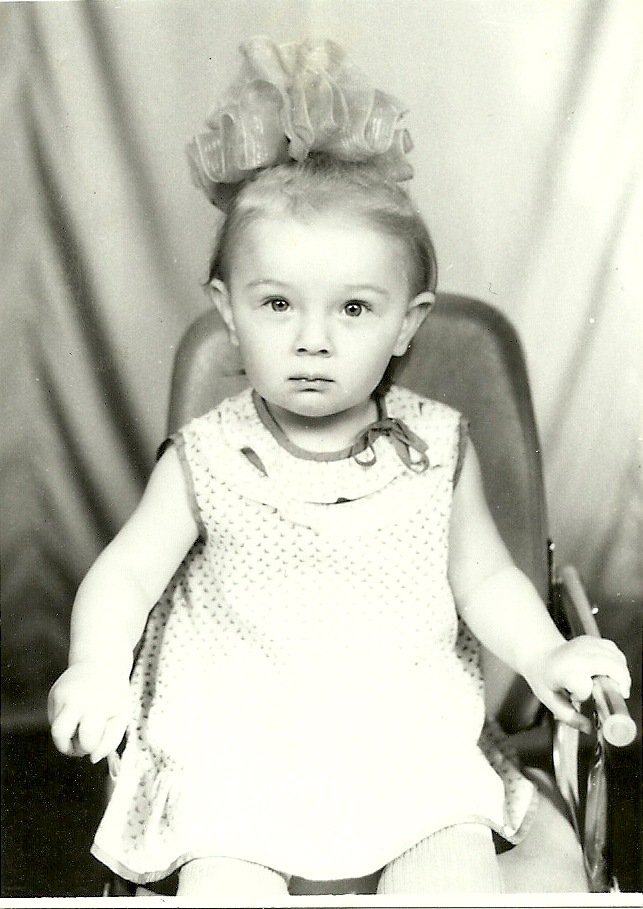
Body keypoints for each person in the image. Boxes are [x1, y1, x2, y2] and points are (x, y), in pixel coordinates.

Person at [47, 37, 631, 897]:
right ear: (228, 312)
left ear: (407, 323)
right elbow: (127, 573)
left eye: (354, 308)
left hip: (404, 740)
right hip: (239, 746)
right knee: (223, 884)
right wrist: (96, 663)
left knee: (452, 877)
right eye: (277, 304)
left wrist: (547, 657)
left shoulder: (437, 447)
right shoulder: (208, 455)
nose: (312, 339)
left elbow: (485, 580)